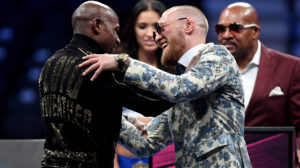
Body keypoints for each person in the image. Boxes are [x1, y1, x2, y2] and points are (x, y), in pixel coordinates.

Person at [79, 5, 252, 168]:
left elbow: (181, 89)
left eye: (161, 29)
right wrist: (103, 110)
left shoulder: (219, 56)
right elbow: (145, 143)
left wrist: (122, 62)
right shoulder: (183, 80)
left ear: (188, 25)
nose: (157, 38)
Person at [38, 1, 172, 167]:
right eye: (115, 30)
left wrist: (129, 119)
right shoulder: (97, 66)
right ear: (97, 25)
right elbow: (157, 103)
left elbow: (88, 113)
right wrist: (124, 62)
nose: (117, 39)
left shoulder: (50, 63)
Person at [215, 2, 300, 160]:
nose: (226, 35)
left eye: (235, 27)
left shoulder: (291, 68)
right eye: (220, 29)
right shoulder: (207, 72)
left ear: (255, 31)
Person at [113, 0, 173, 167]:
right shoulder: (116, 66)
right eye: (142, 26)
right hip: (124, 159)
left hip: (169, 159)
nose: (149, 33)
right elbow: (104, 121)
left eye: (156, 27)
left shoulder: (179, 70)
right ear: (133, 29)